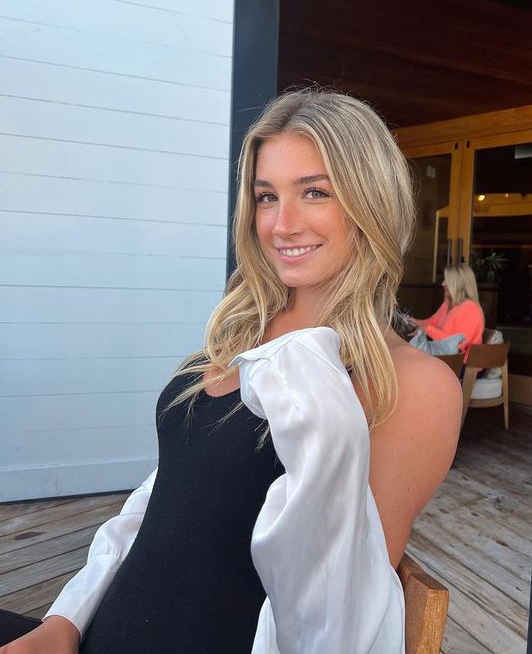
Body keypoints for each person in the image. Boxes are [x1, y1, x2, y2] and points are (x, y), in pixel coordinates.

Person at [0, 89, 462, 654]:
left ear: (372, 201)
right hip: (95, 632)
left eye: (315, 192)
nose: (282, 224)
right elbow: (165, 497)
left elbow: (338, 615)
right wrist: (65, 621)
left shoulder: (411, 383)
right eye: (267, 196)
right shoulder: (246, 329)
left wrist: (318, 381)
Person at [410, 264, 484, 361]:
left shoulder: (470, 307)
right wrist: (415, 322)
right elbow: (432, 322)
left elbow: (458, 344)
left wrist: (426, 329)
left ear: (458, 284)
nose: (443, 284)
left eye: (447, 281)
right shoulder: (448, 303)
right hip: (445, 357)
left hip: (460, 363)